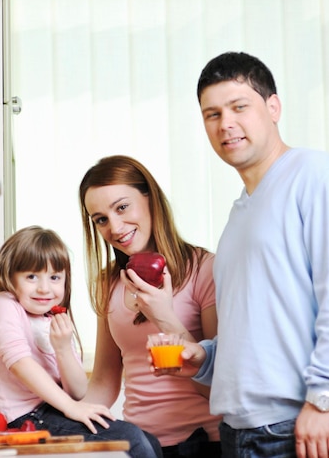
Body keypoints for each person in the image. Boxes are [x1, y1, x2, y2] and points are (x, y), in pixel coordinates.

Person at [179, 51, 329, 458]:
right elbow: (255, 328)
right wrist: (205, 358)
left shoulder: (319, 178)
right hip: (240, 431)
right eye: (211, 114)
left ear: (273, 107)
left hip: (303, 428)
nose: (225, 124)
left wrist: (323, 397)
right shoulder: (240, 213)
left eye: (238, 107)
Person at [0, 225, 162, 458]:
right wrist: (72, 409)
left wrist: (63, 348)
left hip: (52, 412)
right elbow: (20, 364)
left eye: (55, 277)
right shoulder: (5, 306)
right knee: (133, 441)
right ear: (9, 277)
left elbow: (78, 392)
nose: (44, 288)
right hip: (22, 419)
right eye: (31, 276)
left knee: (148, 440)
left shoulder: (50, 319)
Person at [78, 156, 222, 457]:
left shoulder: (203, 269)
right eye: (101, 219)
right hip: (139, 445)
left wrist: (165, 317)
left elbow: (219, 384)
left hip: (204, 444)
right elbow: (105, 379)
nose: (115, 227)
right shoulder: (108, 283)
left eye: (122, 207)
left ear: (150, 199)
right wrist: (69, 419)